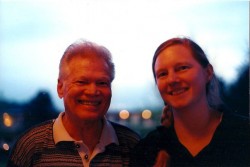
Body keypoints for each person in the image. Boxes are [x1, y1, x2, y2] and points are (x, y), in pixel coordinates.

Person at [7, 39, 140, 167]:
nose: (92, 91)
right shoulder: (30, 146)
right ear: (60, 88)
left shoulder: (133, 146)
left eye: (102, 83)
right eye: (82, 82)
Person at [130, 37, 250, 167]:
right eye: (163, 74)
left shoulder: (243, 134)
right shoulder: (146, 151)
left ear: (208, 72)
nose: (172, 79)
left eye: (182, 68)